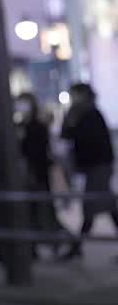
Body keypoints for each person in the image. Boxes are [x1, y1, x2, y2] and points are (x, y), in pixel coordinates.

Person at [59, 83, 118, 261]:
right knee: (106, 205)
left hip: (98, 166)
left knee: (92, 207)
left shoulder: (91, 114)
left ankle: (76, 247)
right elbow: (66, 134)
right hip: (94, 166)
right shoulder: (76, 113)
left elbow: (86, 139)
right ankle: (76, 247)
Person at [15, 92, 70, 259]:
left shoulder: (37, 126)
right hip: (29, 175)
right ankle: (34, 248)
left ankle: (65, 242)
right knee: (32, 213)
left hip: (37, 174)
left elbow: (38, 152)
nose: (21, 106)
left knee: (44, 212)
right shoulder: (20, 125)